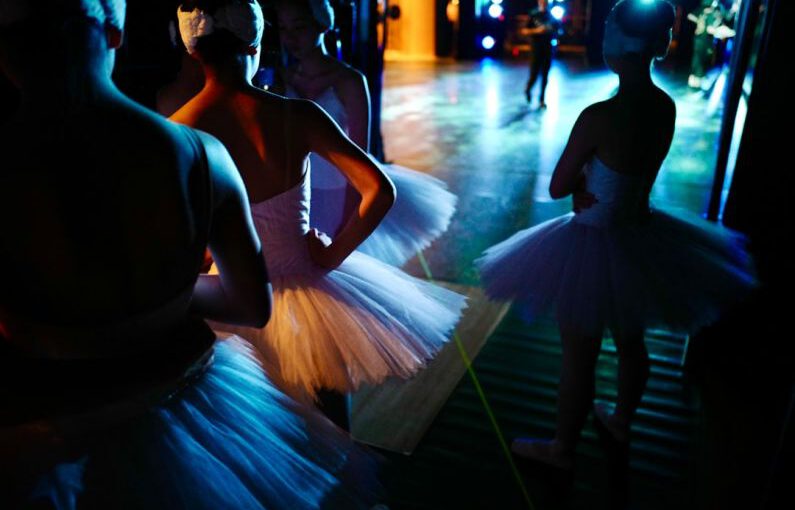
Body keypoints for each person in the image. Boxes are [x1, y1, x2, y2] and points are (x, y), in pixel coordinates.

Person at [0, 1, 375, 507]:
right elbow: (250, 303)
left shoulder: (190, 129)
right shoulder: (194, 150)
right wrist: (172, 291)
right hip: (173, 404)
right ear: (116, 33)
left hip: (37, 423)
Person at [476, 0, 756, 470]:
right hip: (640, 233)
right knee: (631, 341)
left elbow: (559, 185)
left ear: (618, 43)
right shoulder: (664, 105)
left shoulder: (598, 115)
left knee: (579, 355)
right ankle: (623, 420)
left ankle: (562, 449)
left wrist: (584, 184)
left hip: (591, 237)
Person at [171, 0, 466, 430]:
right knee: (330, 427)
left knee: (252, 437)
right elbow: (379, 189)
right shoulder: (297, 115)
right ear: (255, 41)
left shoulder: (180, 130)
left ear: (193, 51)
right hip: (309, 294)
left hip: (229, 299)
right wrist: (331, 256)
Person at [275, 0, 457, 267]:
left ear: (322, 25)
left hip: (338, 191)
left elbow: (361, 154)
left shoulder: (350, 81)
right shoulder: (281, 79)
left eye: (299, 26)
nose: (290, 37)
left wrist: (350, 219)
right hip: (295, 192)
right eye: (283, 28)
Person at [524, 0, 559, 108]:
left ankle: (542, 99)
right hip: (536, 49)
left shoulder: (551, 16)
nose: (544, 3)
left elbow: (558, 30)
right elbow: (525, 30)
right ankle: (528, 89)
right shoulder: (533, 15)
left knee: (545, 75)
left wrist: (551, 32)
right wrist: (537, 31)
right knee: (534, 74)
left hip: (547, 49)